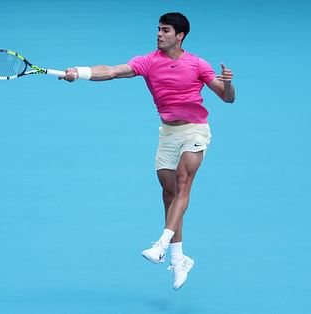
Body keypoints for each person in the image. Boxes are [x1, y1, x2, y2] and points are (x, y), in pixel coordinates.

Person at [61, 12, 235, 290]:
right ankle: (179, 259)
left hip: (195, 130)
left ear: (180, 36)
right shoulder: (148, 61)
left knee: (182, 183)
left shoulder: (198, 64)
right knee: (169, 195)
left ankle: (162, 244)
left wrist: (227, 82)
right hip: (167, 134)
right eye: (158, 29)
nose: (158, 34)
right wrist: (79, 73)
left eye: (165, 30)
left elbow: (227, 98)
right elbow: (114, 71)